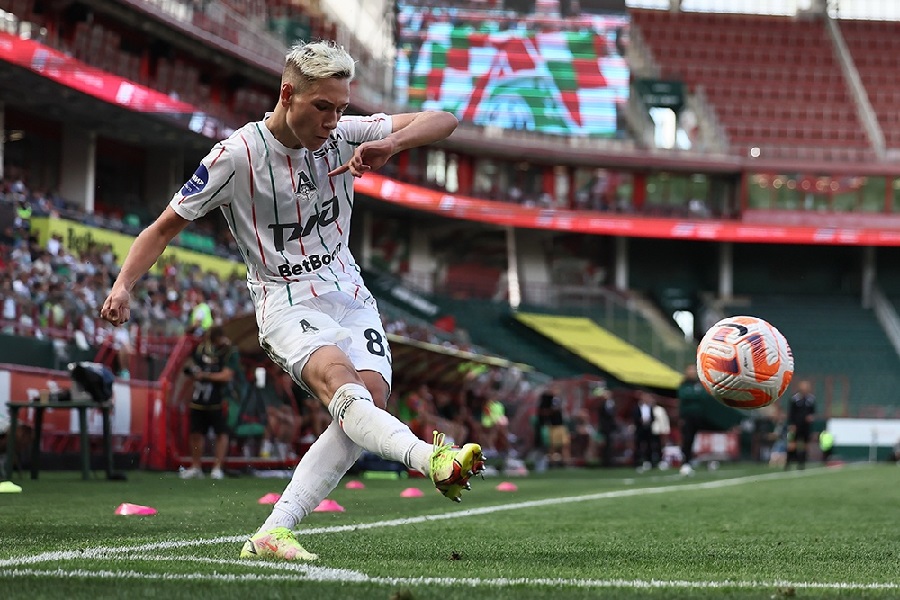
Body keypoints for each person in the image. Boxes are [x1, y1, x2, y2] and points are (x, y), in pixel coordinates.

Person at [99, 40, 482, 562]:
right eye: (322, 106)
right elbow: (163, 228)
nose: (332, 120)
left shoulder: (345, 134)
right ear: (287, 95)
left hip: (350, 293)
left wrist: (392, 144)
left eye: (341, 108)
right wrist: (123, 283)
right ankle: (430, 458)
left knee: (366, 405)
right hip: (286, 299)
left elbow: (445, 120)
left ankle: (273, 532)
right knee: (343, 388)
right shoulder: (236, 156)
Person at [180, 325, 239, 480]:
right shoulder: (200, 349)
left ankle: (217, 468)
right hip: (199, 397)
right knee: (196, 432)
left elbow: (226, 375)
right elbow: (188, 365)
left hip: (219, 397)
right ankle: (196, 466)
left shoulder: (229, 351)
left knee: (221, 432)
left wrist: (205, 375)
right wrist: (193, 371)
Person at [676, 364, 718, 476]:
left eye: (694, 370)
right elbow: (684, 396)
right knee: (687, 439)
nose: (692, 372)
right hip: (687, 417)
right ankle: (685, 462)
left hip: (699, 417)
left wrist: (695, 395)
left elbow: (705, 396)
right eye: (690, 370)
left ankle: (698, 460)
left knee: (698, 438)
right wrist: (696, 395)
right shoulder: (684, 385)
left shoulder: (699, 384)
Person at [785, 379, 815, 470]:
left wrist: (810, 417)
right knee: (792, 444)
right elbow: (791, 413)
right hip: (796, 425)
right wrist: (792, 424)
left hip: (806, 426)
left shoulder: (811, 399)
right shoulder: (795, 399)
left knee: (805, 444)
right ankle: (788, 462)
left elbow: (812, 412)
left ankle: (802, 463)